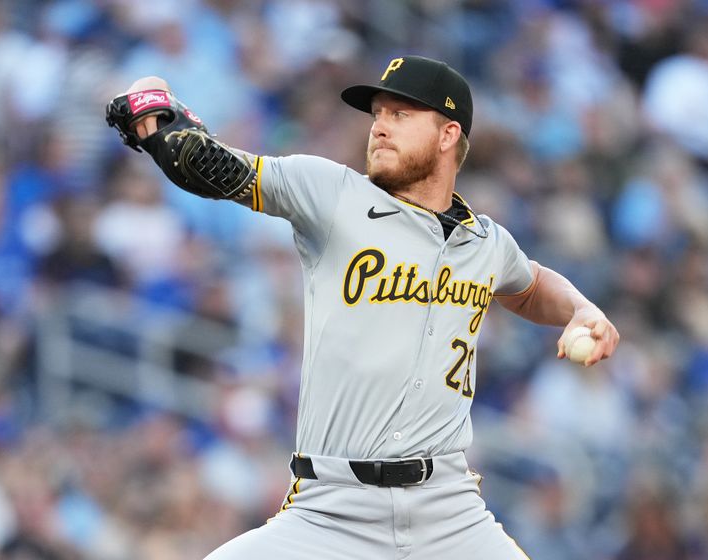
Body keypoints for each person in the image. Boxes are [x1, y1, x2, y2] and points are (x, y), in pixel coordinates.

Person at [106, 55, 620, 560]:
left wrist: (581, 307)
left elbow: (529, 285)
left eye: (401, 114)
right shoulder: (330, 194)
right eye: (377, 114)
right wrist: (157, 121)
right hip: (331, 511)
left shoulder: (485, 242)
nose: (379, 127)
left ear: (447, 135)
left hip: (449, 510)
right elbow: (210, 165)